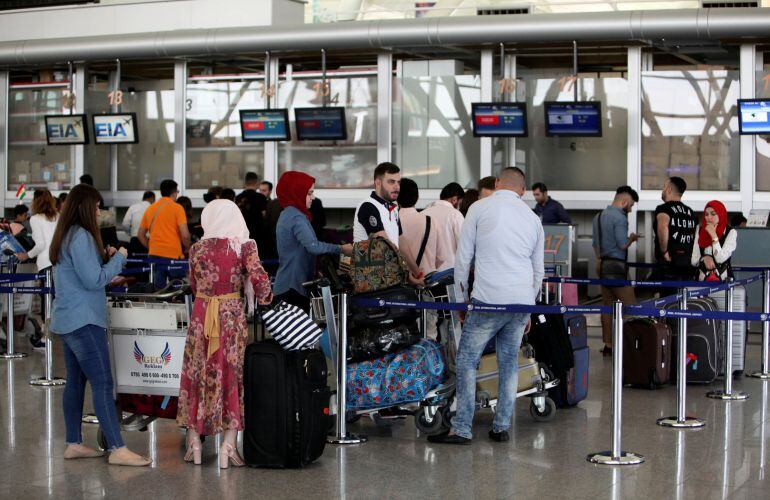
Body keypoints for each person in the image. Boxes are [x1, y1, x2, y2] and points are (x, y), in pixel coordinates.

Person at [430, 167, 544, 445]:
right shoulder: (533, 219)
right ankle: (501, 426)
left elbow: (463, 261)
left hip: (488, 301)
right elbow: (538, 271)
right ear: (523, 190)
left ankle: (462, 428)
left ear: (496, 183)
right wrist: (528, 307)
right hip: (519, 302)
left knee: (467, 361)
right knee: (509, 364)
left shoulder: (479, 209)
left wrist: (460, 301)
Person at [49, 184, 151, 466]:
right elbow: (94, 280)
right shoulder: (80, 236)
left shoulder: (66, 235)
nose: (98, 212)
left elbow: (85, 274)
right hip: (84, 321)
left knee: (76, 382)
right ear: (85, 208)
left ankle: (74, 442)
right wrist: (119, 258)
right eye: (95, 207)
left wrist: (104, 261)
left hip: (67, 319)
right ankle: (117, 448)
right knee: (103, 382)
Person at [176, 199, 273, 467]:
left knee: (197, 373)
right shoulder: (243, 245)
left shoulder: (196, 248)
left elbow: (194, 285)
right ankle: (228, 446)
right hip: (230, 316)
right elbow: (259, 278)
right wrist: (265, 298)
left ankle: (194, 441)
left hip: (201, 313)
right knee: (231, 375)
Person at [273, 171, 352, 312]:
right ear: (297, 192)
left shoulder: (287, 213)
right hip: (293, 285)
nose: (313, 197)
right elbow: (314, 247)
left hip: (287, 283)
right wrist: (341, 249)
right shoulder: (296, 217)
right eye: (309, 193)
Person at [353, 162, 423, 282]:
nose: (397, 187)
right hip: (371, 282)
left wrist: (418, 273)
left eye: (398, 182)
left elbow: (402, 243)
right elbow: (384, 246)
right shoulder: (368, 206)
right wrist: (407, 274)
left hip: (388, 279)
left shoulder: (393, 208)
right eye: (391, 182)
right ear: (378, 183)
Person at [592, 186, 640, 356]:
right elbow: (622, 244)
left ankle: (609, 345)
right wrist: (632, 239)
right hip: (617, 267)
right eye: (631, 205)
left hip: (602, 265)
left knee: (607, 306)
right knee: (631, 307)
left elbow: (596, 246)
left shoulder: (598, 217)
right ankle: (633, 344)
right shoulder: (620, 218)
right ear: (624, 202)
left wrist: (600, 261)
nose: (631, 209)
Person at [398, 178, 447, 339]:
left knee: (402, 335)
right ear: (417, 197)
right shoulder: (430, 221)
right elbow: (441, 257)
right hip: (427, 286)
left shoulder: (390, 222)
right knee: (429, 333)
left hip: (399, 289)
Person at [15, 189, 58, 349]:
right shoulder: (58, 217)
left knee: (46, 302)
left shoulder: (35, 219)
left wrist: (26, 255)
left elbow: (40, 244)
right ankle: (49, 334)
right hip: (59, 263)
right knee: (54, 302)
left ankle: (45, 338)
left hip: (45, 264)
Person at [137, 179, 191, 289]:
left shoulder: (150, 209)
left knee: (158, 291)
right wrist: (187, 247)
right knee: (177, 290)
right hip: (173, 256)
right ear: (174, 193)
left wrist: (151, 247)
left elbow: (140, 234)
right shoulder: (177, 208)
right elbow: (185, 235)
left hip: (155, 257)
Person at [653, 177, 697, 296]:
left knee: (668, 303)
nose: (662, 189)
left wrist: (664, 251)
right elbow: (695, 235)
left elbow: (663, 227)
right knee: (684, 302)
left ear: (669, 189)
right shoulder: (690, 212)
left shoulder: (664, 209)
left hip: (669, 265)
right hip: (687, 266)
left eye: (664, 186)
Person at [692, 200, 737, 282]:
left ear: (721, 214)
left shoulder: (730, 232)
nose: (709, 217)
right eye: (706, 214)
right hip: (702, 282)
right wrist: (704, 258)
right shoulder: (700, 230)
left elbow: (720, 259)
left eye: (713, 214)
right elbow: (694, 260)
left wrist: (713, 235)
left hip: (723, 281)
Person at [423, 182, 464, 270]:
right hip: (449, 272)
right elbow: (463, 245)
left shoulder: (423, 213)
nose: (459, 207)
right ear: (454, 199)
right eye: (460, 203)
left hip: (426, 272)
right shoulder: (455, 215)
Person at [234, 172, 268, 246]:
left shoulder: (238, 197)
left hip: (243, 232)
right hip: (258, 232)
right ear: (256, 182)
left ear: (245, 183)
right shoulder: (261, 197)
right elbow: (264, 214)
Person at [122, 190, 155, 254]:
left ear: (143, 198)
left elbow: (125, 224)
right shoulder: (154, 208)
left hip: (135, 240)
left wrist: (131, 233)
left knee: (135, 261)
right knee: (147, 262)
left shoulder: (133, 207)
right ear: (152, 199)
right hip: (148, 241)